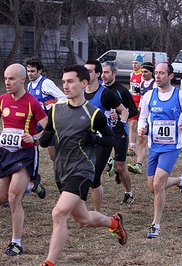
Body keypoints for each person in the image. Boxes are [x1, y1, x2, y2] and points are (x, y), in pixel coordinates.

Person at [39, 65, 126, 266]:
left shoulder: (93, 113)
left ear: (83, 83)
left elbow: (111, 139)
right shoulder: (55, 110)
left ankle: (49, 262)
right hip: (61, 170)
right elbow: (46, 136)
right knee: (83, 220)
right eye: (64, 82)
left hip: (82, 170)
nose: (66, 86)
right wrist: (43, 140)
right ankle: (113, 223)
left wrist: (95, 139)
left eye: (70, 81)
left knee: (58, 213)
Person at [138, 62, 182, 238]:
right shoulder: (149, 96)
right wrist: (142, 127)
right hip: (154, 146)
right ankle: (181, 181)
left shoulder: (180, 96)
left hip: (171, 147)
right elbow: (143, 117)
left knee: (158, 184)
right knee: (152, 187)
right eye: (156, 73)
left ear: (170, 76)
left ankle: (155, 225)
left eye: (161, 73)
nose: (157, 76)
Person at [0, 63, 48, 256]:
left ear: (22, 80)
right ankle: (35, 184)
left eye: (11, 78)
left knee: (13, 197)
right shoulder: (2, 100)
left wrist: (35, 137)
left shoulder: (32, 103)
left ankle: (16, 243)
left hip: (25, 154)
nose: (7, 82)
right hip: (5, 153)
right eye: (5, 78)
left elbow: (48, 129)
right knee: (2, 197)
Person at [84, 59, 129, 211]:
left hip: (103, 139)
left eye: (89, 71)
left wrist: (121, 124)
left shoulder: (106, 94)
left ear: (97, 74)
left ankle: (97, 212)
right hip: (84, 139)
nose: (85, 73)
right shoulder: (80, 91)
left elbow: (124, 111)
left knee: (95, 176)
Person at [26, 57, 67, 199]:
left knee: (53, 155)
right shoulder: (29, 86)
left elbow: (62, 97)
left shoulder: (46, 84)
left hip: (49, 124)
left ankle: (64, 182)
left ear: (40, 71)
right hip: (35, 124)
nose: (30, 74)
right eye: (28, 71)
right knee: (29, 149)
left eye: (32, 71)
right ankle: (34, 180)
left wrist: (53, 110)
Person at [101, 61, 138, 204]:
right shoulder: (99, 89)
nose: (104, 75)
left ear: (114, 73)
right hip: (103, 131)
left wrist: (120, 116)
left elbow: (133, 111)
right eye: (102, 72)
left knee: (120, 167)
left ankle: (129, 193)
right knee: (98, 163)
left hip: (119, 131)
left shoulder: (122, 91)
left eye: (107, 72)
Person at [127, 62, 157, 174]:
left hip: (153, 117)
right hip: (144, 116)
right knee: (142, 139)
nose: (143, 74)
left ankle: (157, 164)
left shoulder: (154, 84)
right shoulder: (142, 83)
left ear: (151, 72)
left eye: (146, 72)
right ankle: (138, 164)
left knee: (154, 141)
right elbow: (142, 99)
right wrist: (139, 109)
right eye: (142, 72)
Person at [127, 54, 143, 156]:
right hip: (132, 102)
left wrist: (141, 105)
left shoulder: (142, 74)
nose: (134, 65)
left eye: (136, 63)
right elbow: (131, 88)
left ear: (140, 64)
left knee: (140, 126)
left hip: (140, 102)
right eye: (133, 63)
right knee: (132, 125)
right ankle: (131, 148)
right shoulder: (131, 74)